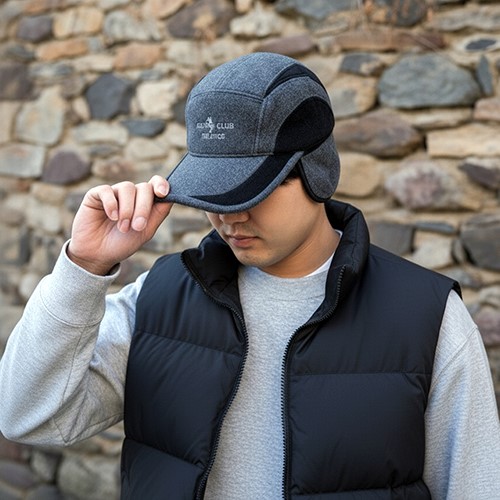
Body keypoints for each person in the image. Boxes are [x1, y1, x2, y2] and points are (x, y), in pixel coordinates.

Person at [0, 52, 499, 500]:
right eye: (214, 193)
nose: (230, 216)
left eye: (252, 191)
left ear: (317, 171)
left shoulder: (427, 318)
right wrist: (84, 267)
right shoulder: (158, 298)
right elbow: (27, 417)